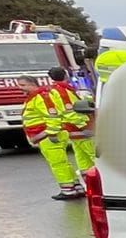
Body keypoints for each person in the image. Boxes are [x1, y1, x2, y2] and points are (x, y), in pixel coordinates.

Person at [21, 67, 95, 200]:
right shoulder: (61, 90)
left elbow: (64, 113)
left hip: (67, 131)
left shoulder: (56, 91)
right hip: (73, 130)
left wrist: (85, 128)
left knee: (67, 162)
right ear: (65, 75)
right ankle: (84, 187)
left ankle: (71, 190)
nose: (19, 88)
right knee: (84, 160)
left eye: (22, 85)